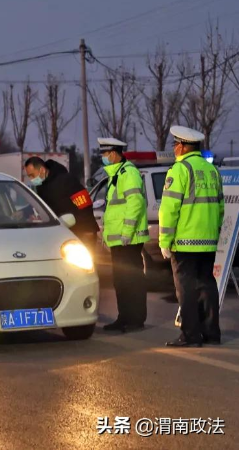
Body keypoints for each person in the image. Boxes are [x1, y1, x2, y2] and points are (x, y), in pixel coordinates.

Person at [159, 126, 224, 348]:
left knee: (186, 289)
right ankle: (212, 333)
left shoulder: (179, 170)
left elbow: (169, 210)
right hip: (208, 242)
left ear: (183, 146)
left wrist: (164, 242)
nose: (175, 148)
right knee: (207, 285)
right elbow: (221, 207)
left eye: (176, 144)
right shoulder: (212, 171)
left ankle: (190, 335)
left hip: (185, 242)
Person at [97, 138, 149, 333]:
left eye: (104, 154)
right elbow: (114, 209)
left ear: (113, 153)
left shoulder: (129, 173)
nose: (103, 158)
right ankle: (124, 317)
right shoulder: (117, 174)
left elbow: (135, 204)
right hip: (119, 239)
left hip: (128, 239)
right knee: (121, 280)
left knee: (131, 280)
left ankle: (134, 319)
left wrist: (127, 232)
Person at [24, 157, 99, 251]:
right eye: (29, 176)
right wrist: (23, 213)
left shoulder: (66, 180)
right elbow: (40, 205)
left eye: (32, 175)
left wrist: (87, 231)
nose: (31, 179)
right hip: (62, 233)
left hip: (83, 232)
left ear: (42, 170)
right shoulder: (41, 187)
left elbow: (85, 206)